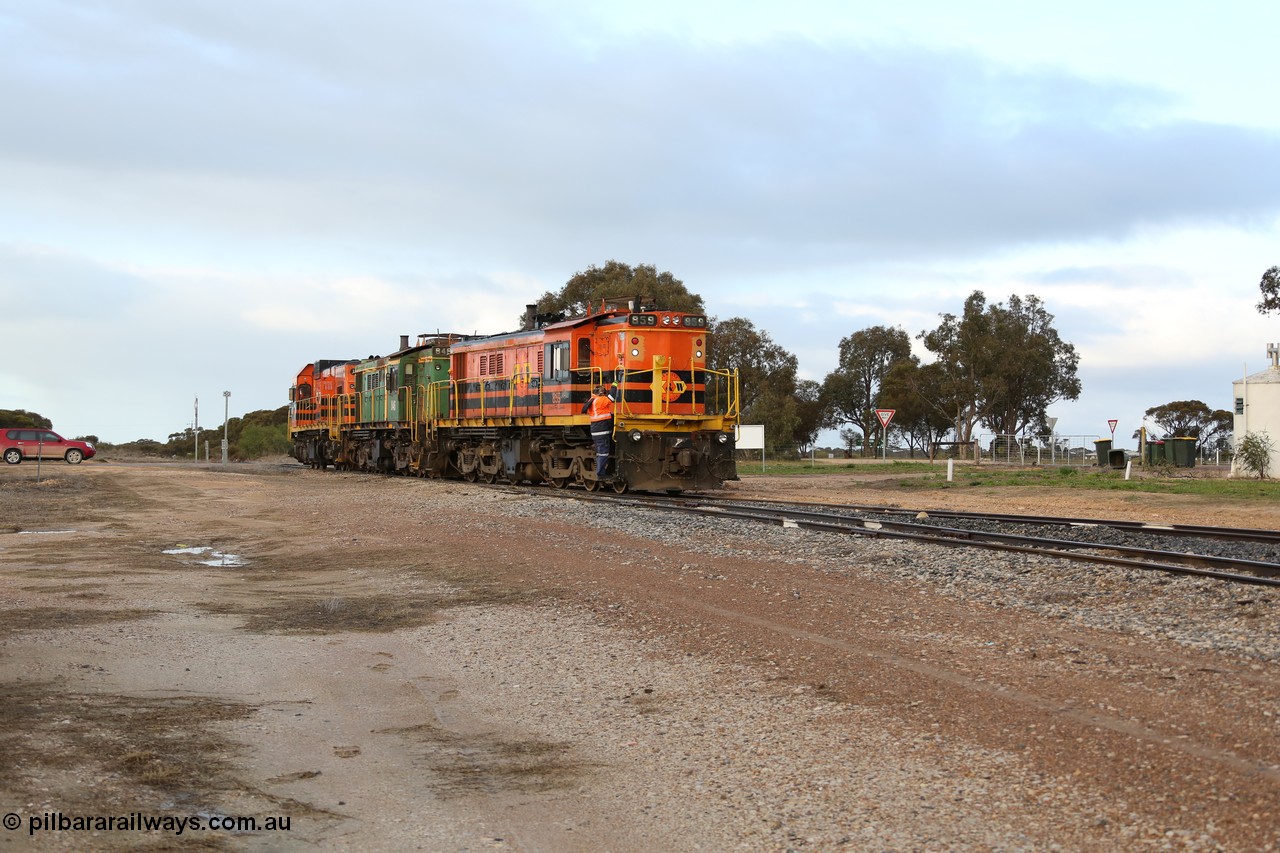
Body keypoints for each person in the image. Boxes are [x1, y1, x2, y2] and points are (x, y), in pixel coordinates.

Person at [581, 383, 617, 479]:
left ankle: (603, 471)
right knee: (603, 453)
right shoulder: (600, 401)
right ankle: (600, 474)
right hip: (602, 430)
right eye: (604, 392)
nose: (605, 394)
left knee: (600, 452)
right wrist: (614, 385)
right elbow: (612, 397)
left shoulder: (592, 400)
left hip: (597, 430)